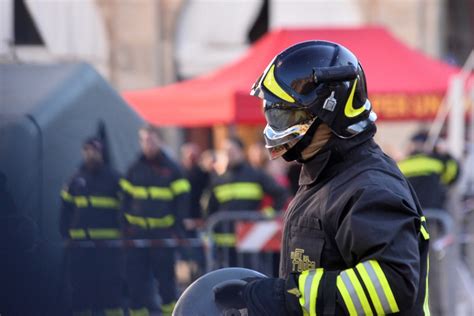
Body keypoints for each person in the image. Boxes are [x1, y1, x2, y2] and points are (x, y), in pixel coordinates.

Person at [214, 41, 430, 315]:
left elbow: (394, 284)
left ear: (328, 113)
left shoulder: (370, 188)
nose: (276, 127)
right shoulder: (324, 176)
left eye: (285, 115)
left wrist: (286, 298)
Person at [120, 124, 190, 316]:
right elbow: (123, 201)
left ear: (159, 141)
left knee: (166, 284)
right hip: (137, 237)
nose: (147, 144)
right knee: (136, 284)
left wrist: (176, 230)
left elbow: (182, 203)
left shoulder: (172, 169)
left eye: (151, 140)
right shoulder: (133, 169)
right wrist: (125, 228)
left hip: (162, 237)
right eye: (144, 140)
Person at [59, 138, 124, 316]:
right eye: (87, 150)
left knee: (110, 289)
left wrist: (123, 235)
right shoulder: (74, 180)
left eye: (94, 150)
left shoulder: (114, 178)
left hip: (108, 247)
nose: (90, 154)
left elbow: (125, 209)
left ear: (101, 153)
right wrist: (65, 236)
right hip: (80, 247)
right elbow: (65, 211)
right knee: (81, 289)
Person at [205, 137, 289, 268]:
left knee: (249, 277)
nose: (229, 154)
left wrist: (265, 215)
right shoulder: (219, 180)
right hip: (224, 243)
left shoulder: (255, 175)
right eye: (226, 151)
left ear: (241, 152)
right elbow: (210, 210)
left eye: (232, 151)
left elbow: (281, 194)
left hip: (249, 240)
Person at [398, 130, 460, 210]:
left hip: (411, 212)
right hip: (435, 211)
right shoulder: (437, 162)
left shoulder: (401, 165)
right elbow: (452, 176)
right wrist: (446, 155)